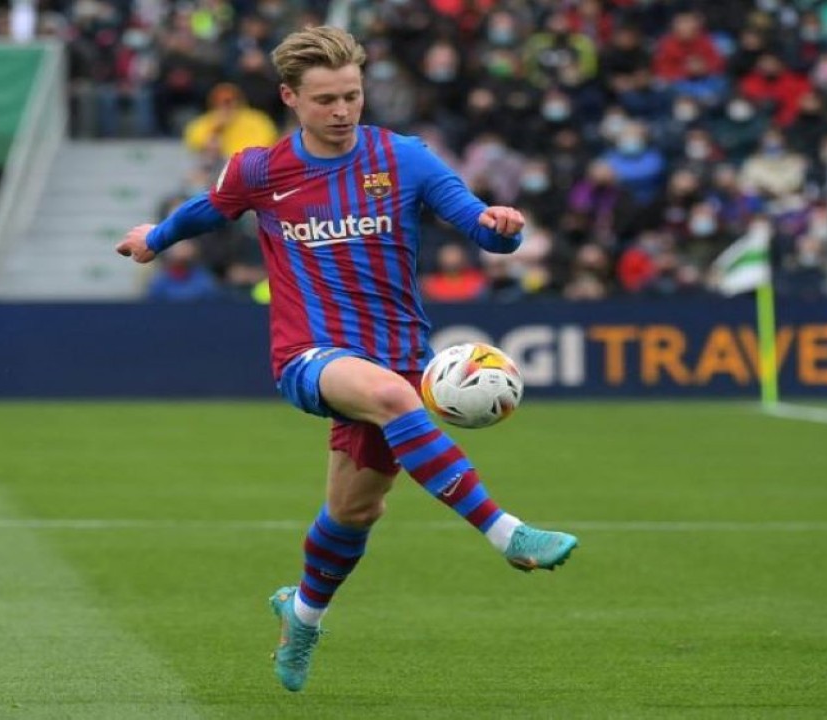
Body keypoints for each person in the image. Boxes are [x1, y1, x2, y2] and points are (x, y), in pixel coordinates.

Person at [114, 26, 578, 694]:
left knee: (355, 512)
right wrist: (154, 239)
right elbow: (208, 211)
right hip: (309, 354)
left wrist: (501, 227)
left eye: (352, 96)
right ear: (290, 97)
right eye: (326, 98)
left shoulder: (404, 157)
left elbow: (475, 223)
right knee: (397, 399)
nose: (342, 111)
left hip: (397, 353)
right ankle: (509, 534)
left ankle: (301, 615)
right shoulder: (261, 169)